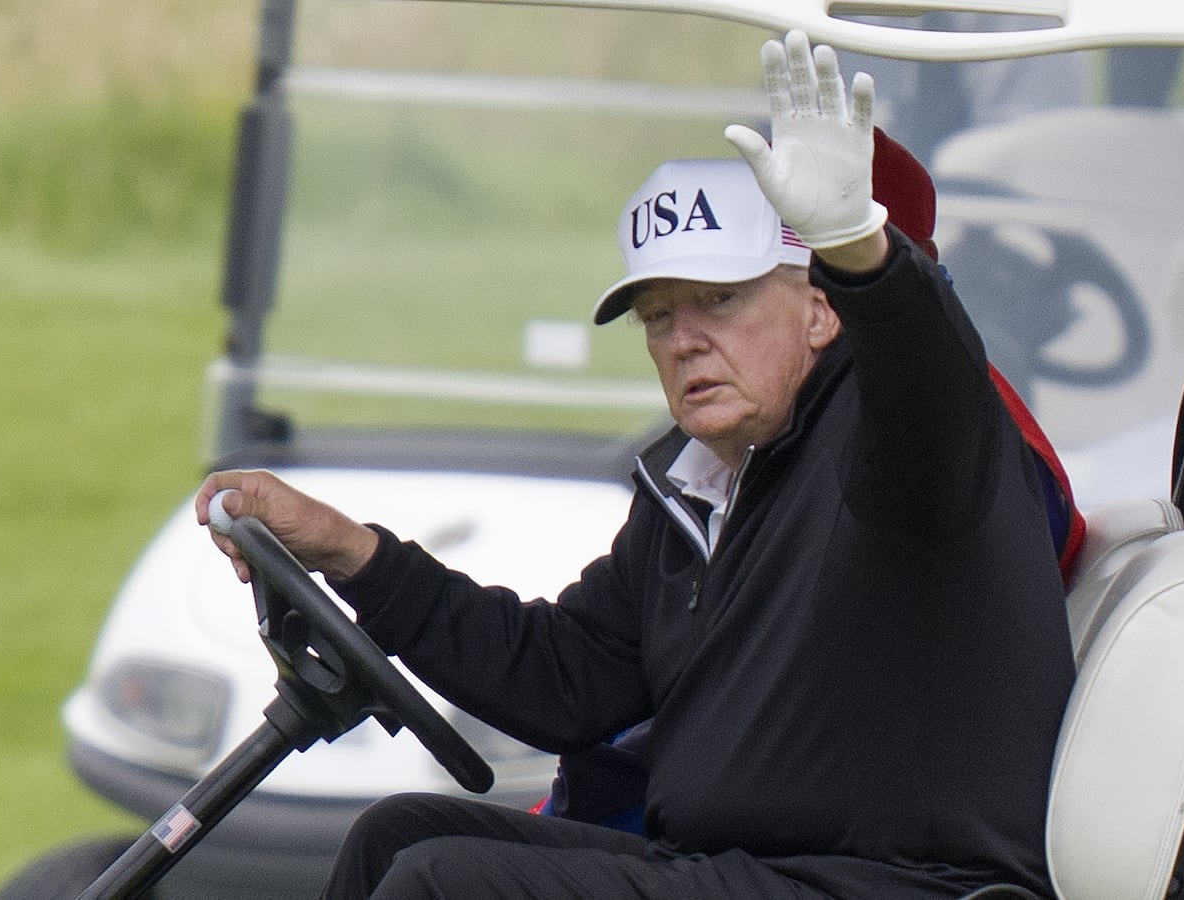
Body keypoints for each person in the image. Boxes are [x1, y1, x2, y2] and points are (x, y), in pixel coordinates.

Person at [196, 29, 1075, 900]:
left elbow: (927, 379)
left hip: (893, 883)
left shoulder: (894, 445)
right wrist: (353, 553)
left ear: (819, 312)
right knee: (402, 836)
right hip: (741, 867)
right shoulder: (707, 484)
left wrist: (863, 253)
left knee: (445, 885)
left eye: (721, 301)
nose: (685, 340)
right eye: (659, 315)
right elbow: (565, 681)